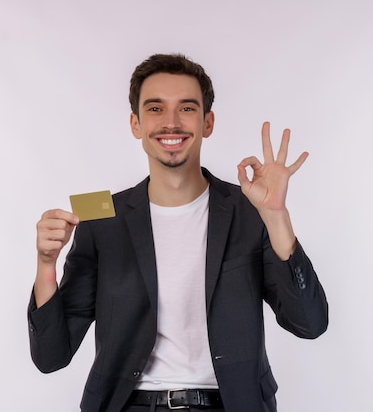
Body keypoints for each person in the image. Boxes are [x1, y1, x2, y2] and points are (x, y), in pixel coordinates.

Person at [28, 53, 328, 412]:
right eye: (155, 109)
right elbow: (51, 356)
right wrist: (46, 264)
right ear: (136, 124)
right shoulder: (102, 219)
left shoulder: (250, 211)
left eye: (186, 109)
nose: (171, 123)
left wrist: (277, 217)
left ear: (207, 122)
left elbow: (310, 324)